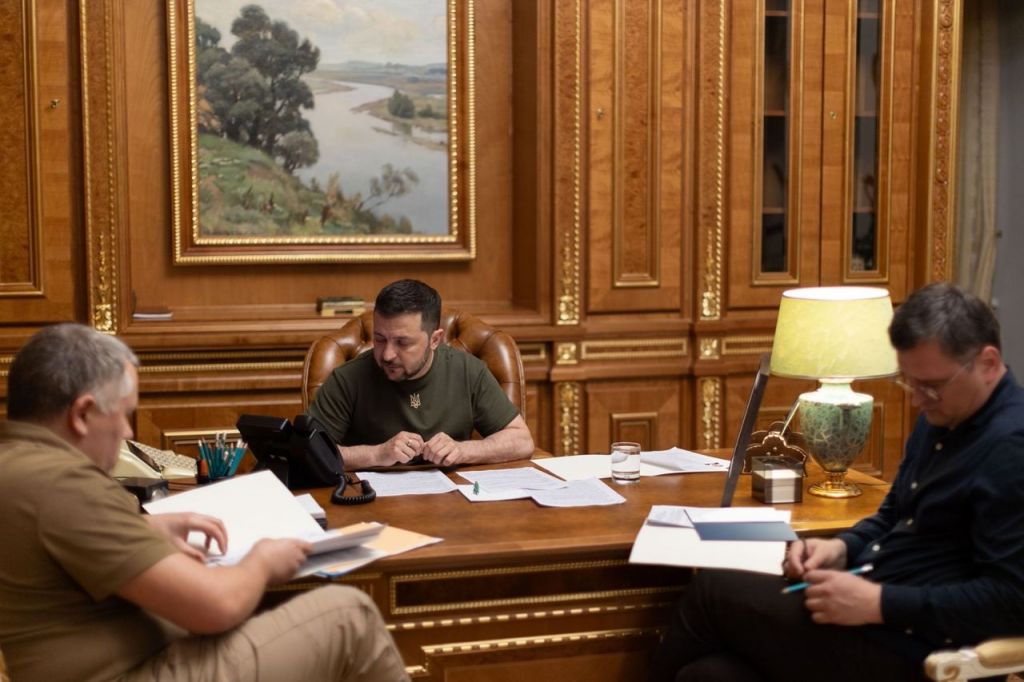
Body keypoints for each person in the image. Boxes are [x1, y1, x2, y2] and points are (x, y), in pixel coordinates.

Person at [648, 282, 1024, 682]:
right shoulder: (945, 415)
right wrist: (841, 548)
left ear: (987, 363)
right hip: (874, 622)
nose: (917, 399)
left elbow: (1013, 600)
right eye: (910, 383)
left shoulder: (1011, 449)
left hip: (922, 652)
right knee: (708, 676)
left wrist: (880, 602)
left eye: (931, 386)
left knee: (714, 589)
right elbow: (892, 517)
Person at [0, 324, 409, 682]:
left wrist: (141, 528)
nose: (127, 432)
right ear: (83, 414)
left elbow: (60, 544)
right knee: (349, 616)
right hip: (133, 673)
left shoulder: (17, 467)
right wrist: (264, 560)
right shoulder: (66, 483)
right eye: (123, 415)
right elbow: (218, 606)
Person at [307, 279, 535, 469]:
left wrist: (462, 450)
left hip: (452, 501)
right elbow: (307, 452)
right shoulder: (348, 378)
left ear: (435, 340)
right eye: (380, 339)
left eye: (402, 343)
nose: (387, 354)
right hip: (373, 500)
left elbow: (521, 440)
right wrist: (376, 454)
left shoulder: (468, 371)